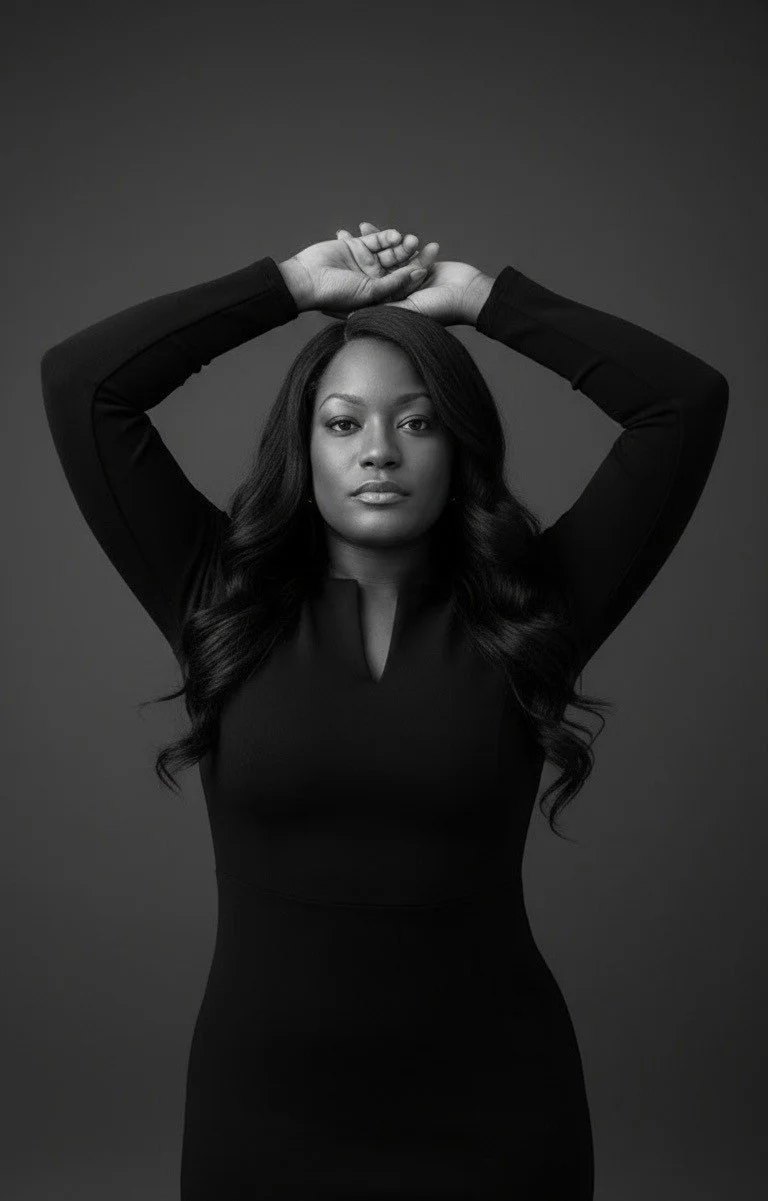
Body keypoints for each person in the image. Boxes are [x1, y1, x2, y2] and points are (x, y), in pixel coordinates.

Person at [40, 221, 729, 1199]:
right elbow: (83, 384)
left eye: (416, 421)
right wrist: (285, 285)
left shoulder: (534, 611)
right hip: (261, 1117)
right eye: (343, 422)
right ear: (304, 443)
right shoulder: (216, 600)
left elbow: (683, 403)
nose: (379, 452)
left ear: (459, 446)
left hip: (498, 1111)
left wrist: (485, 298)